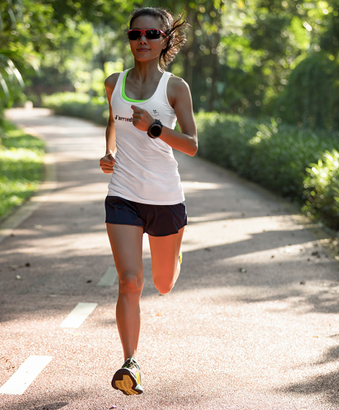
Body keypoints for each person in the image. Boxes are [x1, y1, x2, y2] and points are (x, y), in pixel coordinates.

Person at [99, 6, 197, 396]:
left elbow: (191, 145)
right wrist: (109, 153)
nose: (142, 41)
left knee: (163, 283)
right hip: (123, 194)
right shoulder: (113, 82)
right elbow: (112, 120)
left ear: (165, 41)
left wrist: (154, 127)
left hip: (165, 197)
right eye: (135, 34)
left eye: (151, 35)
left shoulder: (175, 88)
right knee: (130, 282)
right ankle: (131, 362)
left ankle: (173, 257)